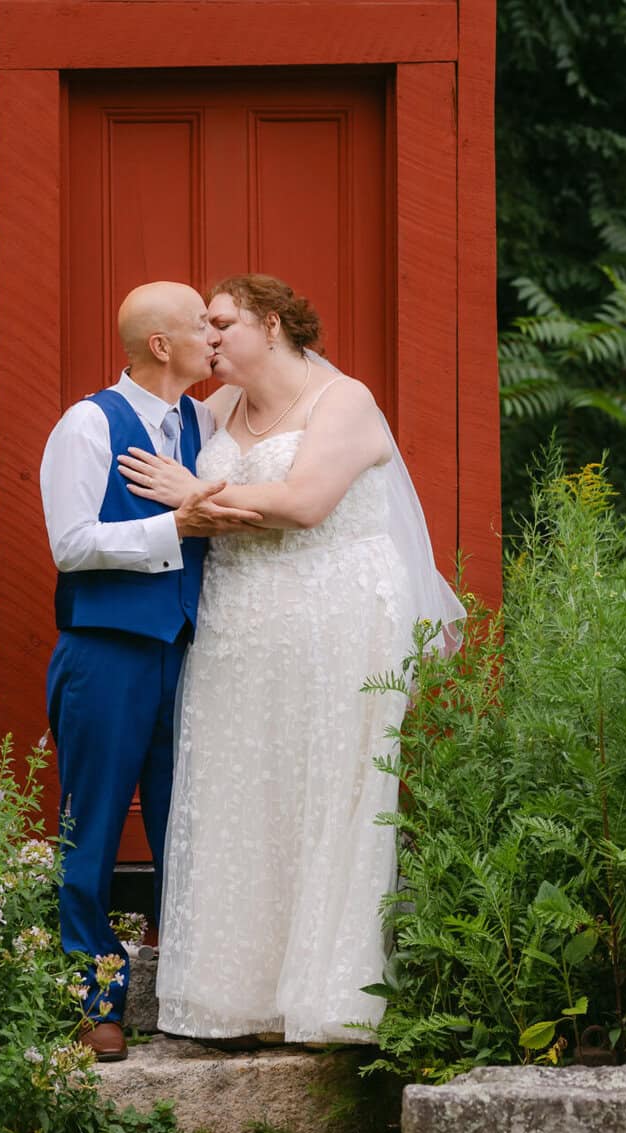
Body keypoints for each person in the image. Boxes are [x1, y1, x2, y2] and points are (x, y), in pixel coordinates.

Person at [118, 273, 464, 1043]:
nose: (208, 338)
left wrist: (194, 491)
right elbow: (185, 504)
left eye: (222, 322)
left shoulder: (343, 402)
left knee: (327, 786)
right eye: (201, 325)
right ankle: (234, 998)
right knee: (239, 784)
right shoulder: (212, 410)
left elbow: (307, 505)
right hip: (239, 617)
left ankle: (329, 997)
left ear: (271, 324)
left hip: (337, 612)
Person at [40, 280, 261, 1062]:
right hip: (105, 651)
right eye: (200, 323)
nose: (214, 334)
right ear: (160, 345)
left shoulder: (204, 421)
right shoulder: (86, 424)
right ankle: (94, 998)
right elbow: (69, 543)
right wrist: (175, 525)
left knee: (186, 825)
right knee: (92, 826)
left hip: (188, 651)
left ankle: (190, 996)